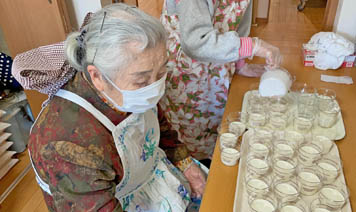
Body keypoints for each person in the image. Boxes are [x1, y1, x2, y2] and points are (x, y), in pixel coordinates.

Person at [12, 4, 206, 212]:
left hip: (150, 179)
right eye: (141, 81)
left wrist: (185, 162)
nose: (155, 87)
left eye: (161, 73)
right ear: (97, 76)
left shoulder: (126, 86)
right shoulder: (65, 144)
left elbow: (157, 123)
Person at [159, 0, 282, 160]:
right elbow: (196, 42)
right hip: (186, 70)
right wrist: (255, 46)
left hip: (217, 66)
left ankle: (208, 165)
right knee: (188, 130)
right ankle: (191, 168)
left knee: (213, 124)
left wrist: (240, 63)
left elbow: (237, 25)